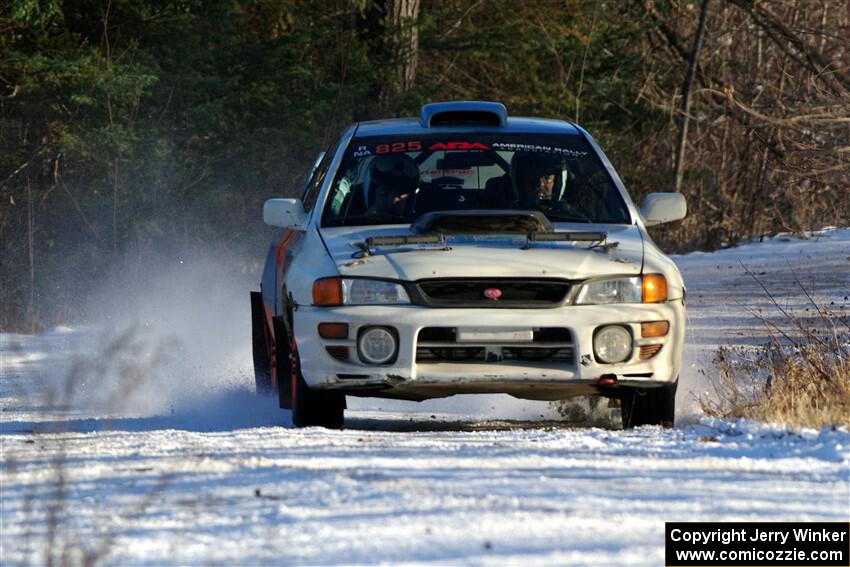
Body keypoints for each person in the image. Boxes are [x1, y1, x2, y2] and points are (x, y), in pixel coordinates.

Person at [363, 153, 419, 217]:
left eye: (400, 195)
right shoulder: (356, 224)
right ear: (372, 195)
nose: (391, 200)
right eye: (385, 193)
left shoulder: (424, 225)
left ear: (410, 200)